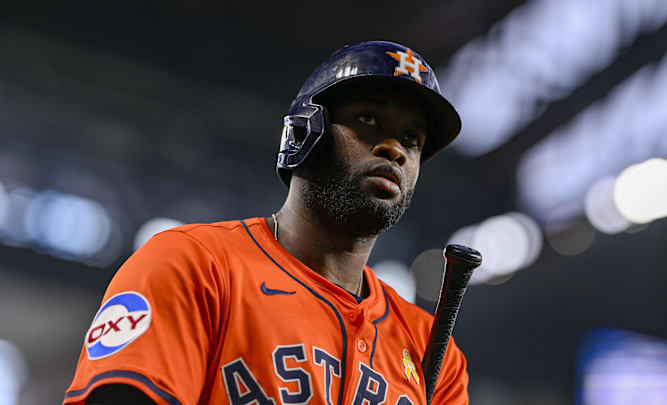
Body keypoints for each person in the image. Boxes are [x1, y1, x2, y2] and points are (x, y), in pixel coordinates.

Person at [64, 40, 468, 405]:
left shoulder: (435, 353)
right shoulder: (192, 264)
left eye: (412, 139)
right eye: (368, 119)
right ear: (304, 133)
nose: (394, 148)